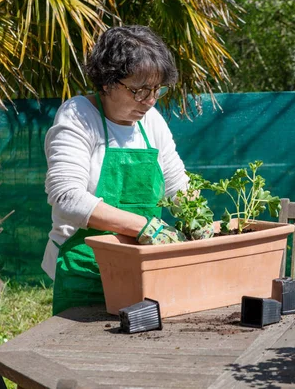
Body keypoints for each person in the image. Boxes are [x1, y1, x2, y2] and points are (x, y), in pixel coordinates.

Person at [43, 25, 190, 315]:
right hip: (84, 267)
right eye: (138, 91)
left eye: (156, 90)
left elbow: (177, 186)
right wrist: (144, 227)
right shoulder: (78, 116)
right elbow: (66, 195)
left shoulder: (152, 122)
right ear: (108, 82)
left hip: (142, 267)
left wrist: (198, 222)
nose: (149, 101)